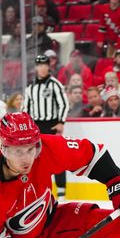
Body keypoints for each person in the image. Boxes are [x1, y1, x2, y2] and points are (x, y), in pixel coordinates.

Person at [24, 54, 70, 200]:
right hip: (36, 126)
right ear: (36, 67)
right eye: (39, 65)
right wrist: (27, 126)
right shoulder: (30, 87)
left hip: (52, 125)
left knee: (56, 157)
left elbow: (64, 104)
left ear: (48, 67)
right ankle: (37, 190)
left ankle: (61, 191)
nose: (42, 68)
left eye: (45, 65)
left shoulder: (55, 84)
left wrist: (61, 122)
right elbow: (26, 107)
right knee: (36, 159)